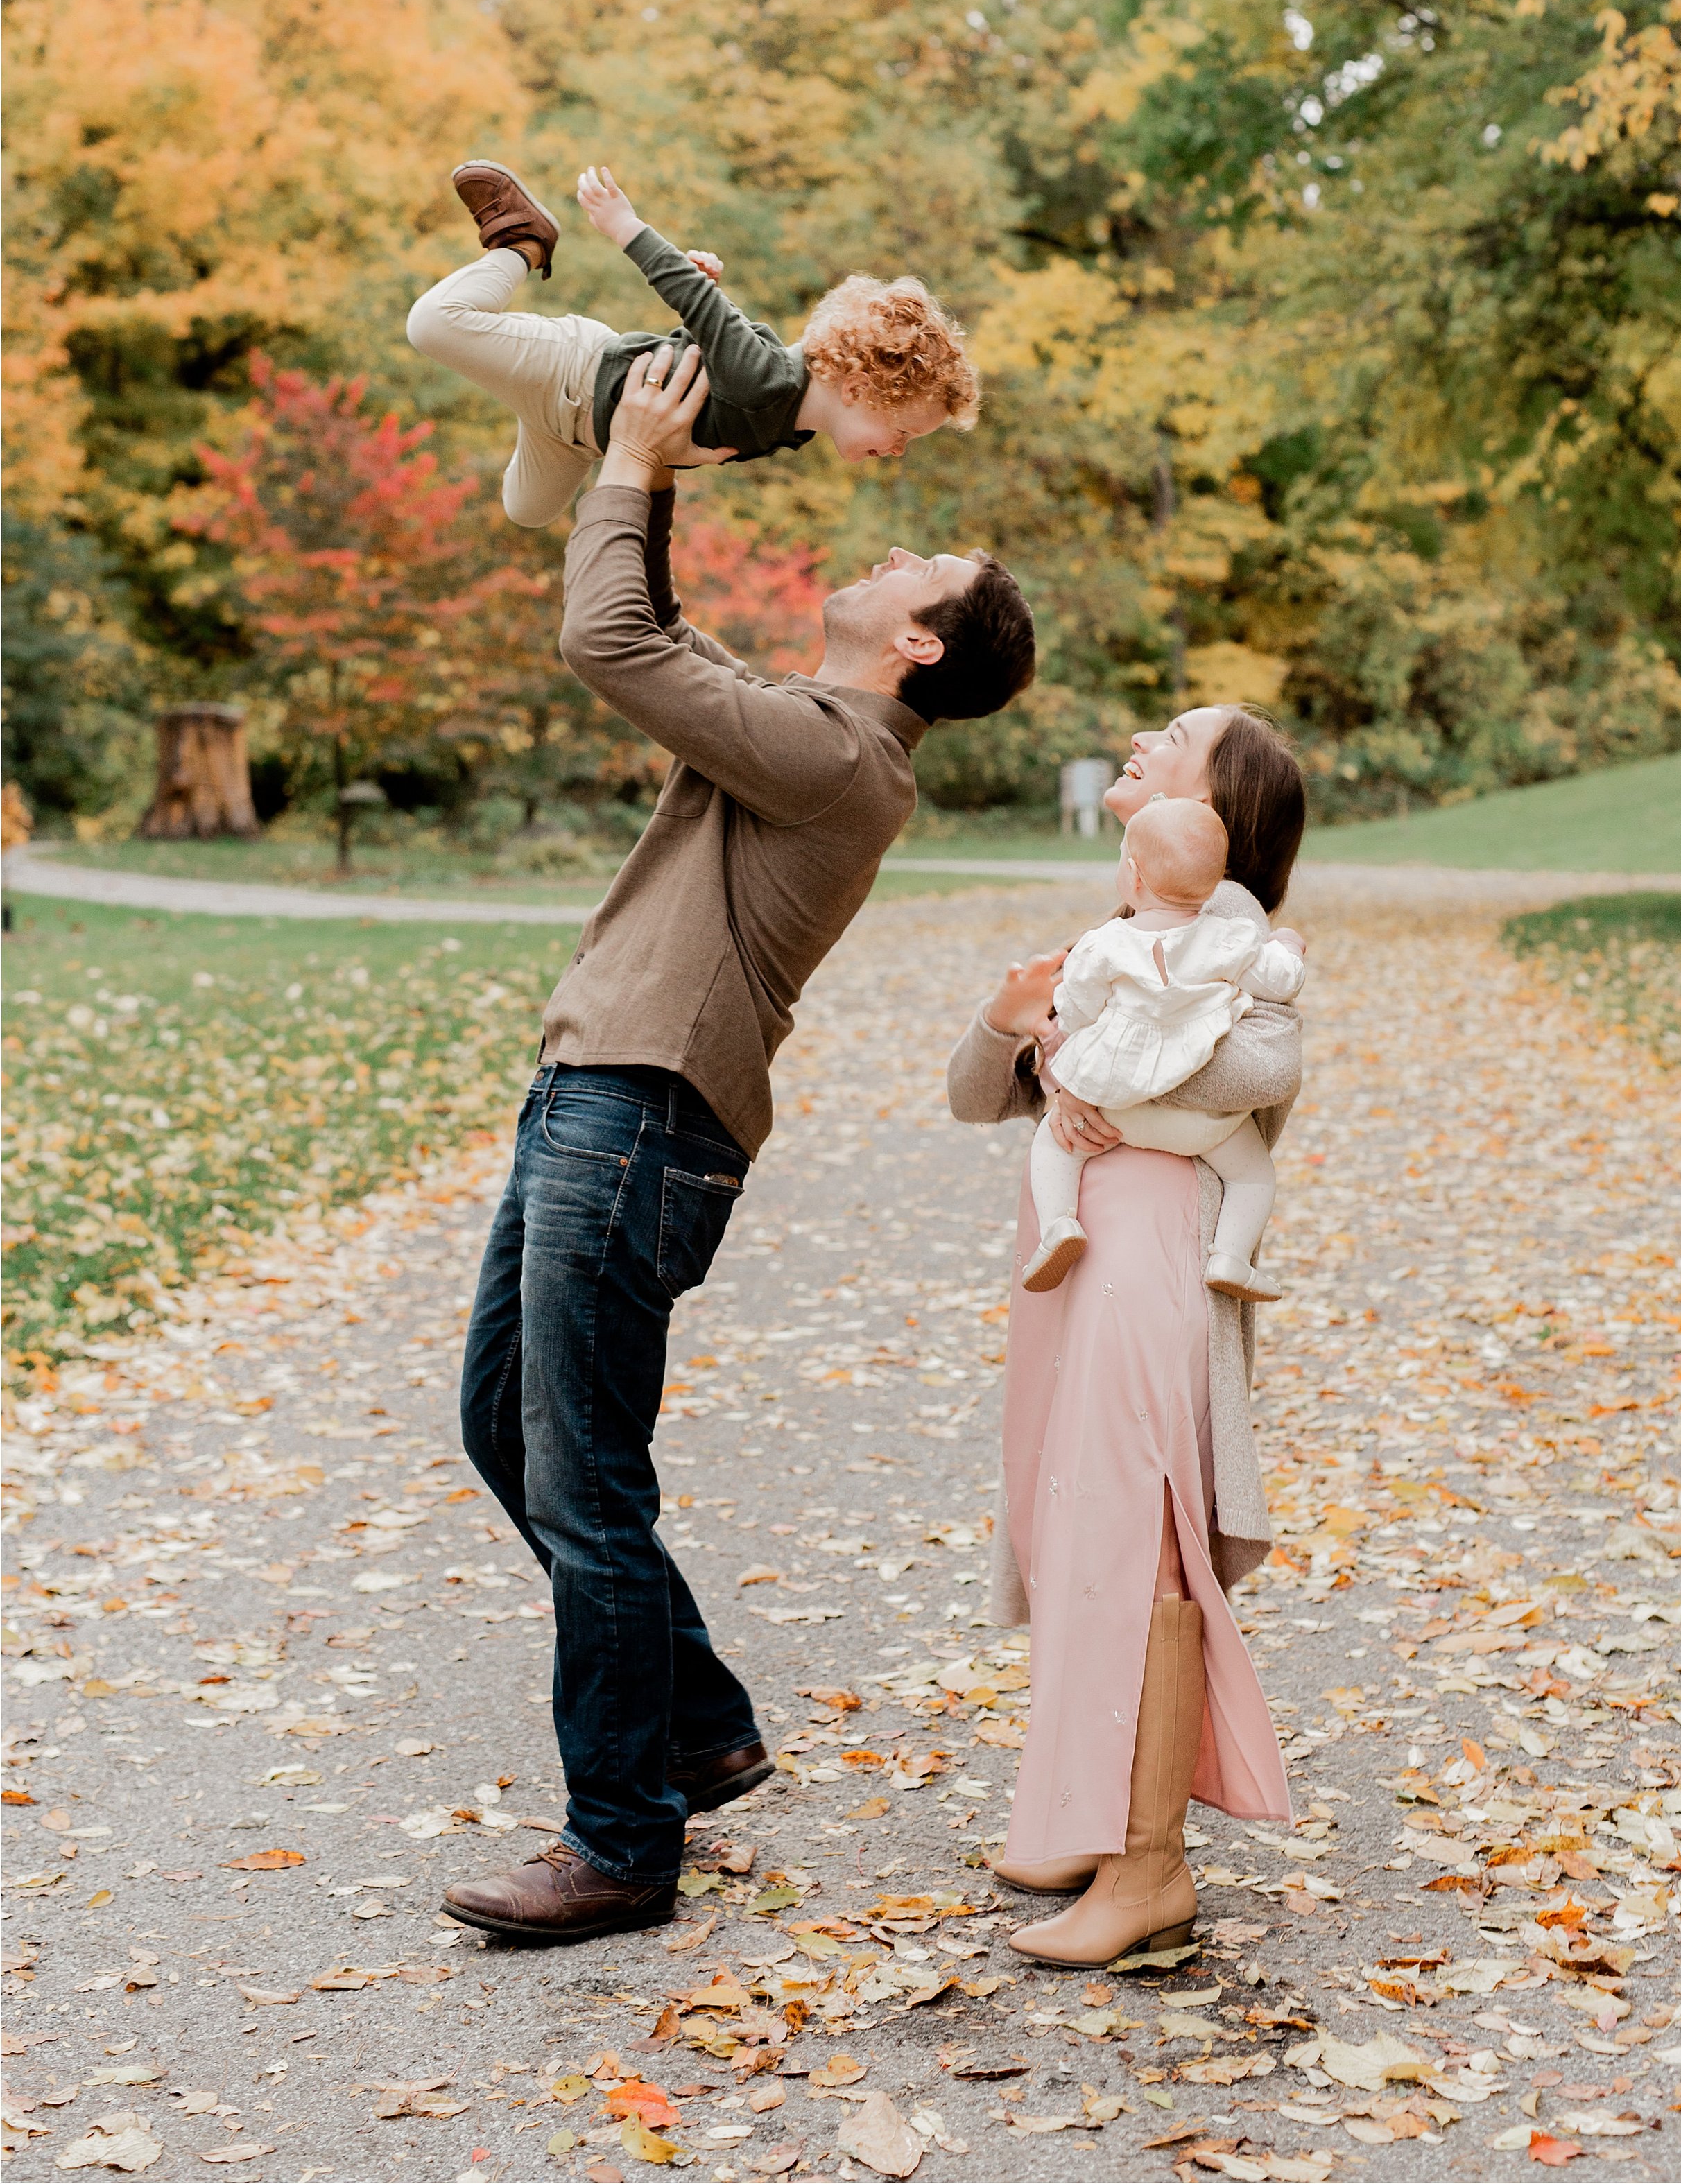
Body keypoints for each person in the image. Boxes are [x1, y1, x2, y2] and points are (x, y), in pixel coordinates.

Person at [440, 341, 1035, 1945]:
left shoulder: (843, 758)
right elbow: (665, 638)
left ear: (918, 641)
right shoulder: (801, 727)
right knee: (508, 1427)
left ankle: (625, 1835)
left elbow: (608, 637)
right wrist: (644, 477)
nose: (888, 546)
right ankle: (696, 1722)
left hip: (638, 1120)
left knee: (583, 1483)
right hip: (598, 1100)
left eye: (920, 565)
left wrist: (632, 461)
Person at [947, 706, 1307, 1966]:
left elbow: (1249, 1072)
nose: (1145, 737)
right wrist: (1017, 1028)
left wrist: (1090, 1056)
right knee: (1071, 1523)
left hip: (1154, 1259)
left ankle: (1150, 1862)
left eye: (1179, 735)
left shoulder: (1238, 963)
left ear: (1222, 813)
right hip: (1075, 1255)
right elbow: (971, 1092)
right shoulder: (1108, 944)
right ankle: (1084, 1811)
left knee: (1145, 1530)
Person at [406, 160, 980, 528]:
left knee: (527, 511)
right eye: (903, 432)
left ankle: (516, 393)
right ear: (855, 387)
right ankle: (524, 242)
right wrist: (627, 227)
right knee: (432, 324)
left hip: (579, 434)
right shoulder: (768, 381)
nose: (901, 450)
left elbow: (701, 348)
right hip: (573, 370)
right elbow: (698, 310)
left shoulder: (795, 423)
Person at [1024, 795, 1306, 1297]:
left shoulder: (1105, 943)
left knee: (1054, 1141)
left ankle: (1059, 1226)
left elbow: (1076, 1009)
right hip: (1201, 1123)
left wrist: (1076, 1055)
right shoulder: (1229, 938)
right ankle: (1230, 1257)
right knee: (1253, 1175)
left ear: (1133, 877)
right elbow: (1281, 981)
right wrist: (1287, 945)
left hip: (1115, 1105)